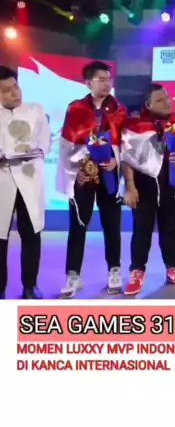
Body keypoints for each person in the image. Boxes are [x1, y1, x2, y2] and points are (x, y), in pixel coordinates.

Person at [56, 61, 127, 299]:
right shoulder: (75, 108)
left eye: (109, 79)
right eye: (101, 79)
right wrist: (76, 170)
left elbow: (126, 144)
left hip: (109, 174)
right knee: (78, 225)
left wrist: (116, 160)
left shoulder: (119, 110)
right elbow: (66, 145)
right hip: (83, 175)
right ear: (88, 82)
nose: (107, 84)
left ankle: (114, 270)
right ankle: (73, 275)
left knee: (112, 225)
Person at [122, 84, 175, 293]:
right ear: (148, 105)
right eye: (160, 100)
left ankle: (173, 268)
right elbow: (126, 159)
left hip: (171, 183)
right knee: (141, 230)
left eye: (167, 98)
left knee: (170, 229)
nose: (167, 103)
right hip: (143, 185)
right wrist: (130, 187)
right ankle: (137, 272)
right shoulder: (134, 125)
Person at [0, 66, 51, 300]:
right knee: (0, 237)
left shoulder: (35, 110)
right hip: (2, 181)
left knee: (31, 234)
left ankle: (30, 285)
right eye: (6, 90)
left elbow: (44, 142)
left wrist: (37, 151)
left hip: (29, 180)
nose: (15, 93)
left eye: (16, 87)